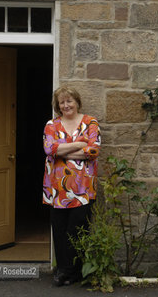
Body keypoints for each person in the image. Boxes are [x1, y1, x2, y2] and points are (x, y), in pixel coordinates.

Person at [42, 85, 100, 286]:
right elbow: (49, 149)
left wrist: (62, 152)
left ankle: (74, 272)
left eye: (69, 101)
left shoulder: (90, 122)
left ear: (77, 102)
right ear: (58, 106)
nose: (66, 105)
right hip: (57, 189)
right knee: (59, 230)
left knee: (78, 229)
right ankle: (63, 271)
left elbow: (93, 151)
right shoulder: (51, 125)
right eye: (62, 102)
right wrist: (79, 145)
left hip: (83, 188)